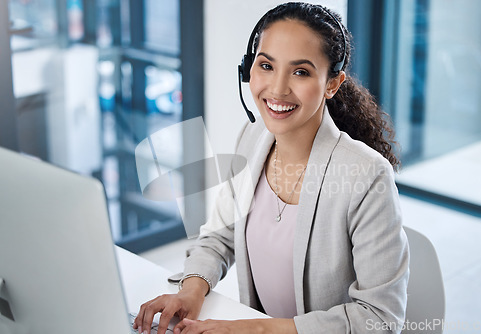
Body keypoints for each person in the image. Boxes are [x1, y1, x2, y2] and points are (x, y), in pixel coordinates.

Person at [133, 2, 409, 333]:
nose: (277, 89)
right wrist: (191, 290)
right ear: (248, 69)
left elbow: (379, 319)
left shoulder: (366, 175)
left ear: (332, 84)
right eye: (266, 66)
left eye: (301, 71)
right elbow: (222, 234)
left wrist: (254, 330)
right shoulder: (253, 137)